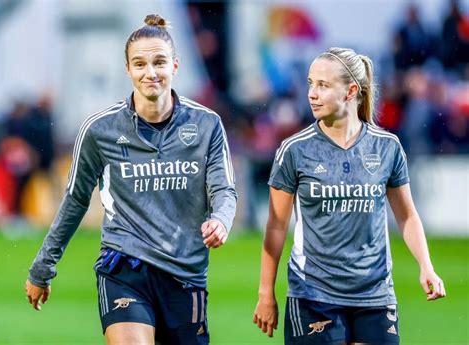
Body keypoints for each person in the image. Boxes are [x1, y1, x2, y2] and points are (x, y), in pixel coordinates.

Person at [25, 14, 237, 345]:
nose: (150, 72)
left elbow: (224, 189)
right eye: (139, 64)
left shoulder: (207, 125)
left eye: (159, 62)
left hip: (185, 272)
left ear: (175, 66)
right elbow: (75, 199)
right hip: (124, 268)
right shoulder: (100, 130)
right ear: (127, 69)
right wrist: (42, 267)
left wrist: (221, 220)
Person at [253, 47, 445, 344]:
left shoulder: (387, 147)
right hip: (312, 293)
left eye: (323, 85)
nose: (311, 94)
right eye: (310, 83)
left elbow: (406, 216)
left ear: (351, 91)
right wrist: (266, 293)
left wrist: (426, 267)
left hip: (375, 295)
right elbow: (276, 226)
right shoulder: (294, 150)